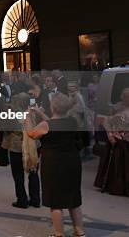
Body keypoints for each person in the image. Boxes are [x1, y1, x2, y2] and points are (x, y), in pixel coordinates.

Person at [27, 93, 84, 237]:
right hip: (72, 162)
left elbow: (32, 134)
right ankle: (80, 232)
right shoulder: (73, 121)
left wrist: (28, 117)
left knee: (56, 201)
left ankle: (59, 234)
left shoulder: (45, 125)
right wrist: (41, 113)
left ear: (53, 107)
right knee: (73, 199)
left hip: (54, 164)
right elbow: (55, 123)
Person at [2, 93, 40, 209]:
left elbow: (6, 128)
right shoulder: (33, 113)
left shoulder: (14, 114)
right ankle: (35, 199)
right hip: (33, 145)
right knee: (33, 172)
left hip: (17, 147)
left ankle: (22, 199)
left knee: (18, 174)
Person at [94, 87, 129, 196]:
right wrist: (110, 134)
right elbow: (106, 121)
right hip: (117, 140)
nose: (125, 97)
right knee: (116, 164)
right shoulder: (117, 107)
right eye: (124, 95)